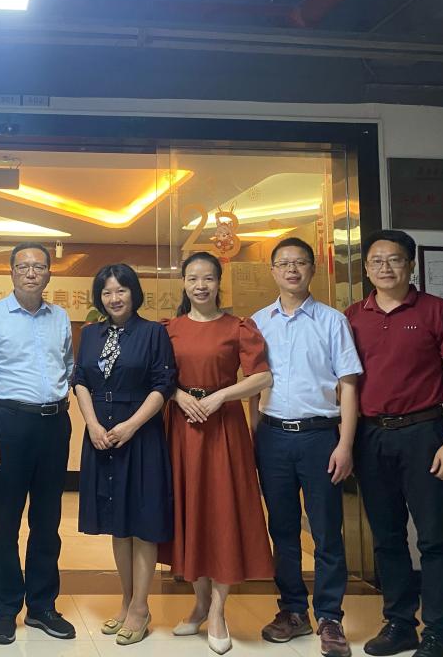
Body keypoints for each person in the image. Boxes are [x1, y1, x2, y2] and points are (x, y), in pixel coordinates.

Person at [346, 230, 443, 657]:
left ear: (411, 265)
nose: (385, 267)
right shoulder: (352, 316)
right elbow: (345, 384)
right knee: (386, 537)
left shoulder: (437, 310)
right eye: (376, 261)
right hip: (370, 436)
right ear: (366, 268)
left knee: (434, 537)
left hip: (423, 433)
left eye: (394, 259)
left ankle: (438, 633)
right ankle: (400, 624)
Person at [251, 238, 361, 657]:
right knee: (282, 529)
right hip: (273, 436)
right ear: (273, 271)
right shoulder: (258, 322)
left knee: (327, 530)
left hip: (320, 437)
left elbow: (349, 385)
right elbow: (252, 387)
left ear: (313, 269)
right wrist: (254, 437)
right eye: (284, 263)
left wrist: (345, 444)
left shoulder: (333, 321)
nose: (292, 270)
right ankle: (293, 611)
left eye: (299, 263)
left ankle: (330, 617)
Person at [159, 251, 273, 655]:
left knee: (222, 511)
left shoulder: (238, 327)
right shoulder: (169, 329)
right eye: (193, 278)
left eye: (208, 278)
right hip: (182, 427)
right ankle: (199, 602)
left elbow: (262, 376)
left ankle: (219, 610)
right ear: (183, 283)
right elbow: (158, 376)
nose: (200, 285)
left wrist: (220, 396)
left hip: (223, 428)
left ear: (218, 282)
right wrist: (178, 396)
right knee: (189, 511)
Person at [0, 242, 76, 646]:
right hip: (10, 423)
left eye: (39, 266)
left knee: (48, 521)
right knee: (7, 521)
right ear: (11, 271)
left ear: (49, 274)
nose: (31, 272)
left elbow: (67, 365)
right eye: (23, 266)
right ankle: (6, 609)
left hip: (55, 424)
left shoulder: (60, 317)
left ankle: (42, 606)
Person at [73, 263, 176, 646]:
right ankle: (126, 600)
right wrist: (91, 424)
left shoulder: (153, 333)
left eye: (121, 290)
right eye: (106, 292)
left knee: (142, 522)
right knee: (118, 522)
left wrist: (132, 425)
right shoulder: (91, 334)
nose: (114, 298)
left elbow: (164, 385)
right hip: (101, 435)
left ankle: (140, 608)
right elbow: (80, 380)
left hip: (141, 434)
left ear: (134, 293)